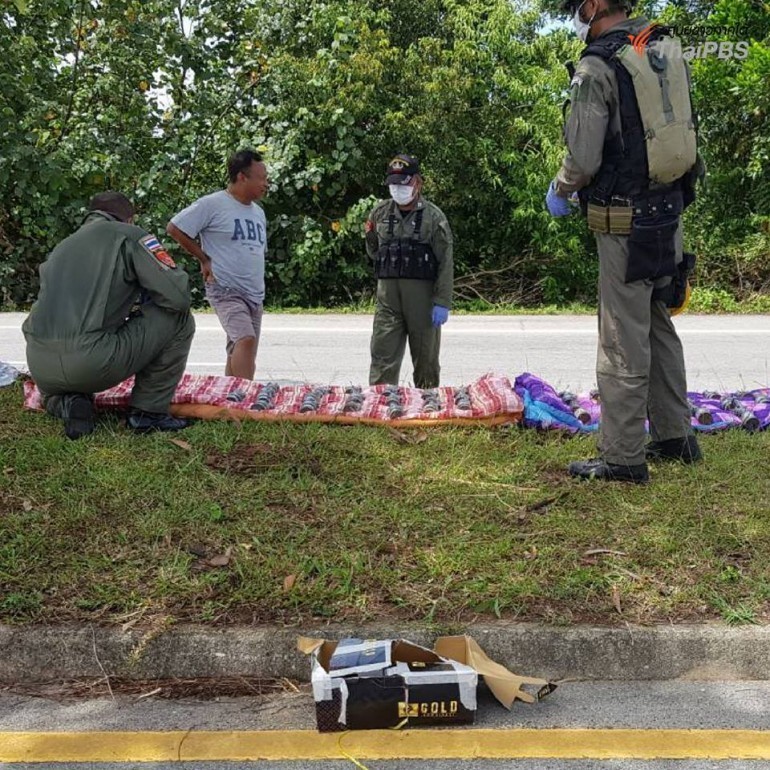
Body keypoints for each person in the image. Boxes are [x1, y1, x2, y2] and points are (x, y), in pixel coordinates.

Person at [546, 0, 703, 483]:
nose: (573, 15)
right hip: (669, 212)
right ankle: (677, 437)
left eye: (574, 7)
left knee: (621, 335)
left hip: (623, 222)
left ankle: (622, 456)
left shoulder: (597, 66)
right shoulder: (663, 46)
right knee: (658, 321)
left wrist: (561, 188)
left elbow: (584, 157)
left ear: (593, 6)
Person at [23, 192, 194, 439]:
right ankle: (148, 412)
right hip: (92, 362)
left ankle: (68, 403)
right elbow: (178, 298)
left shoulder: (62, 246)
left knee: (56, 391)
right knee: (180, 318)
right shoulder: (130, 236)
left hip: (40, 366)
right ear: (130, 219)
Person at [167, 149, 269, 380]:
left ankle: (228, 399)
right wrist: (203, 258)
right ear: (242, 177)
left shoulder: (258, 213)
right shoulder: (213, 204)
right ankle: (244, 399)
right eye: (261, 178)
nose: (266, 184)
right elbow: (175, 228)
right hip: (225, 287)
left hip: (254, 292)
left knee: (241, 347)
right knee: (245, 338)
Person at [365, 154, 454, 389]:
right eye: (393, 184)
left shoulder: (434, 218)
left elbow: (445, 262)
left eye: (403, 184)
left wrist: (442, 301)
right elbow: (373, 249)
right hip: (388, 300)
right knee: (382, 357)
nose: (398, 189)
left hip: (423, 303)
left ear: (418, 182)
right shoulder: (380, 213)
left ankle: (426, 412)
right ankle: (380, 411)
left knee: (426, 364)